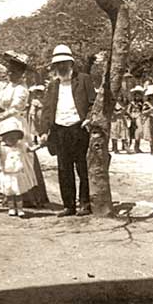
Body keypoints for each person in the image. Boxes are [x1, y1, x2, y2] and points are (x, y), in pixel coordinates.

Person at [39, 44, 96, 217]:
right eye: (58, 64)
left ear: (71, 63)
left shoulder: (84, 79)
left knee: (82, 167)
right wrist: (44, 131)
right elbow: (47, 109)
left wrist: (89, 118)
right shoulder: (53, 85)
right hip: (60, 130)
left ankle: (85, 203)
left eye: (64, 63)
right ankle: (69, 206)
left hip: (79, 128)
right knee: (64, 169)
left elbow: (93, 103)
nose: (61, 66)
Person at [0, 50, 48, 207]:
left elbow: (15, 108)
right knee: (4, 156)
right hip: (2, 124)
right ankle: (8, 193)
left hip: (15, 124)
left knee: (21, 156)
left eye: (14, 72)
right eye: (9, 71)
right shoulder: (7, 86)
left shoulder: (22, 89)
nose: (10, 74)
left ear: (21, 74)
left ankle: (28, 196)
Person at [0, 118, 33, 217]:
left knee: (18, 193)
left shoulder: (20, 147)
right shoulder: (2, 148)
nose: (12, 140)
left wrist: (39, 145)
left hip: (17, 174)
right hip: (7, 174)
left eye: (15, 138)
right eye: (10, 138)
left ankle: (20, 209)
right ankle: (11, 208)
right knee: (9, 193)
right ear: (4, 138)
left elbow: (29, 150)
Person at [127, 85, 145, 153]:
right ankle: (129, 146)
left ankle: (137, 147)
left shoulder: (141, 103)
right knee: (131, 132)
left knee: (139, 132)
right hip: (132, 117)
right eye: (136, 95)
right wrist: (130, 116)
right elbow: (128, 111)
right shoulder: (131, 103)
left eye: (139, 95)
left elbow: (142, 110)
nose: (137, 97)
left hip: (139, 117)